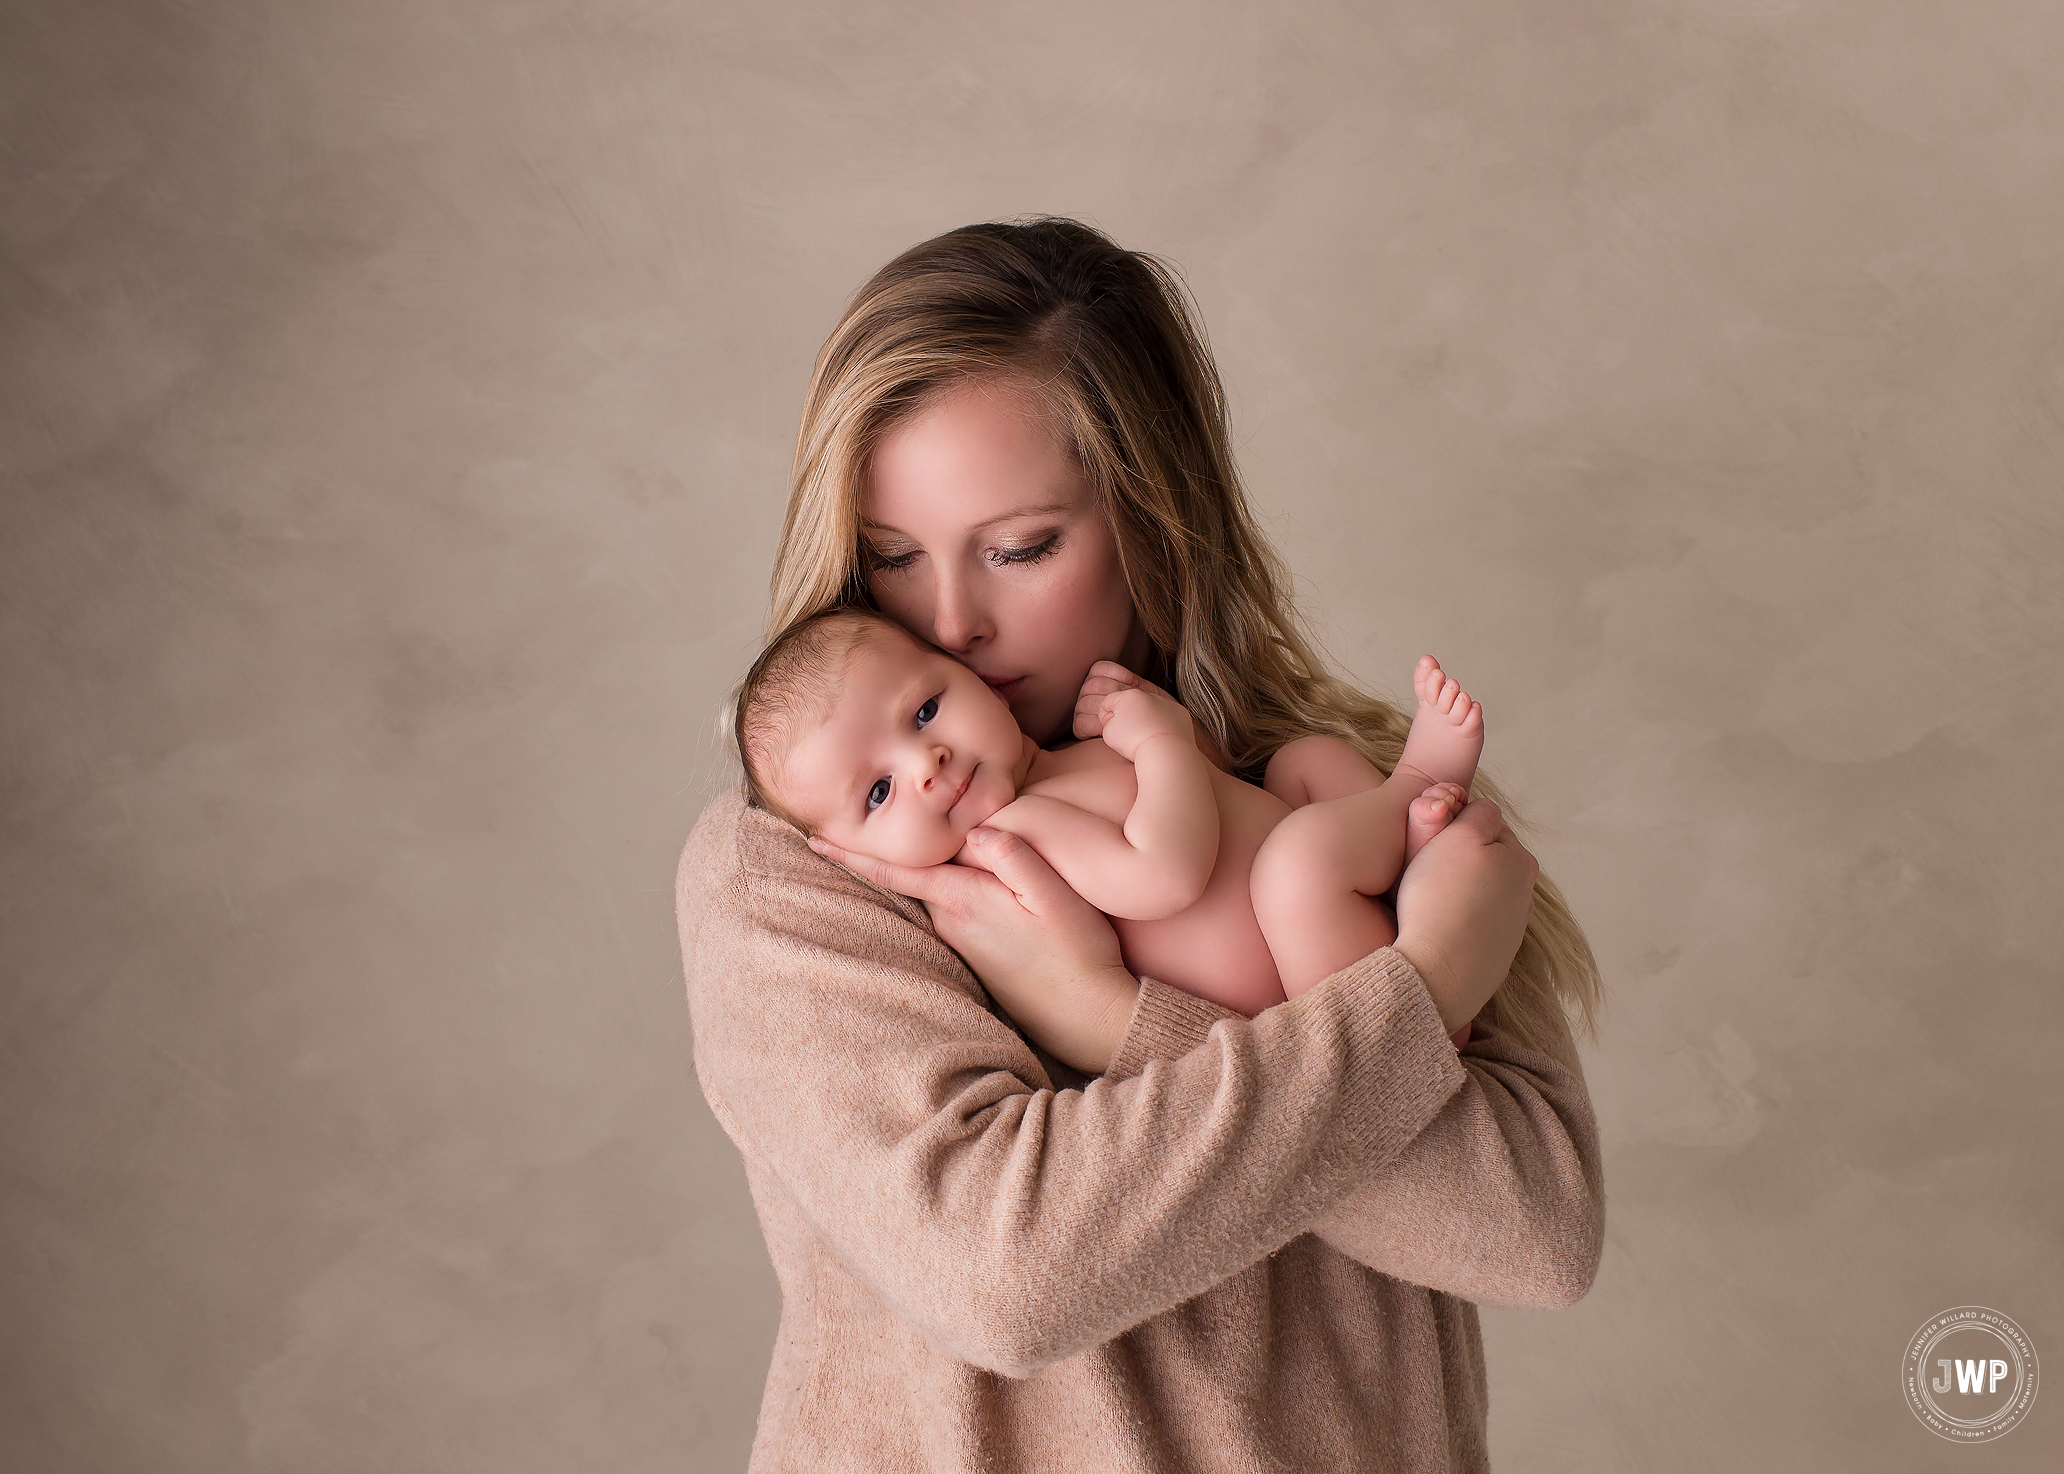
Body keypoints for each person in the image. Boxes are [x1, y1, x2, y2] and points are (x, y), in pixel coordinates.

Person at [676, 216, 1606, 1472]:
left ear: (1156, 522)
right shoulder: (806, 867)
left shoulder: (1337, 794)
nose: (951, 622)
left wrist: (1128, 1020)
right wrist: (1418, 986)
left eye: (1019, 549)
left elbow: (1533, 1232)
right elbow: (1007, 1273)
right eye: (892, 558)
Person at [729, 604, 1486, 1027]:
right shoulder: (1015, 838)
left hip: (1323, 904)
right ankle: (1413, 789)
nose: (925, 765)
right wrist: (1160, 738)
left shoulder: (1064, 762)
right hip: (1311, 984)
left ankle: (1404, 837)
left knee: (1303, 762)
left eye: (926, 710)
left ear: (977, 679)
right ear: (853, 851)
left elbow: (1221, 792)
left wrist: (1169, 734)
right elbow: (1166, 874)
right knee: (1297, 867)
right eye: (878, 793)